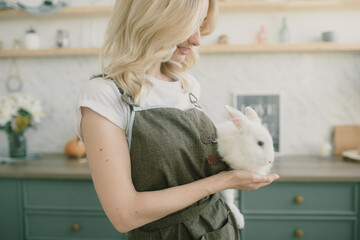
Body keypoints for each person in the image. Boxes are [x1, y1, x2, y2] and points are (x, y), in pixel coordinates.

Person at [75, 0, 279, 239]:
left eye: (201, 25)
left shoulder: (187, 85)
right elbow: (125, 214)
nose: (197, 40)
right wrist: (224, 181)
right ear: (152, 20)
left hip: (221, 226)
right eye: (188, 26)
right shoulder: (103, 95)